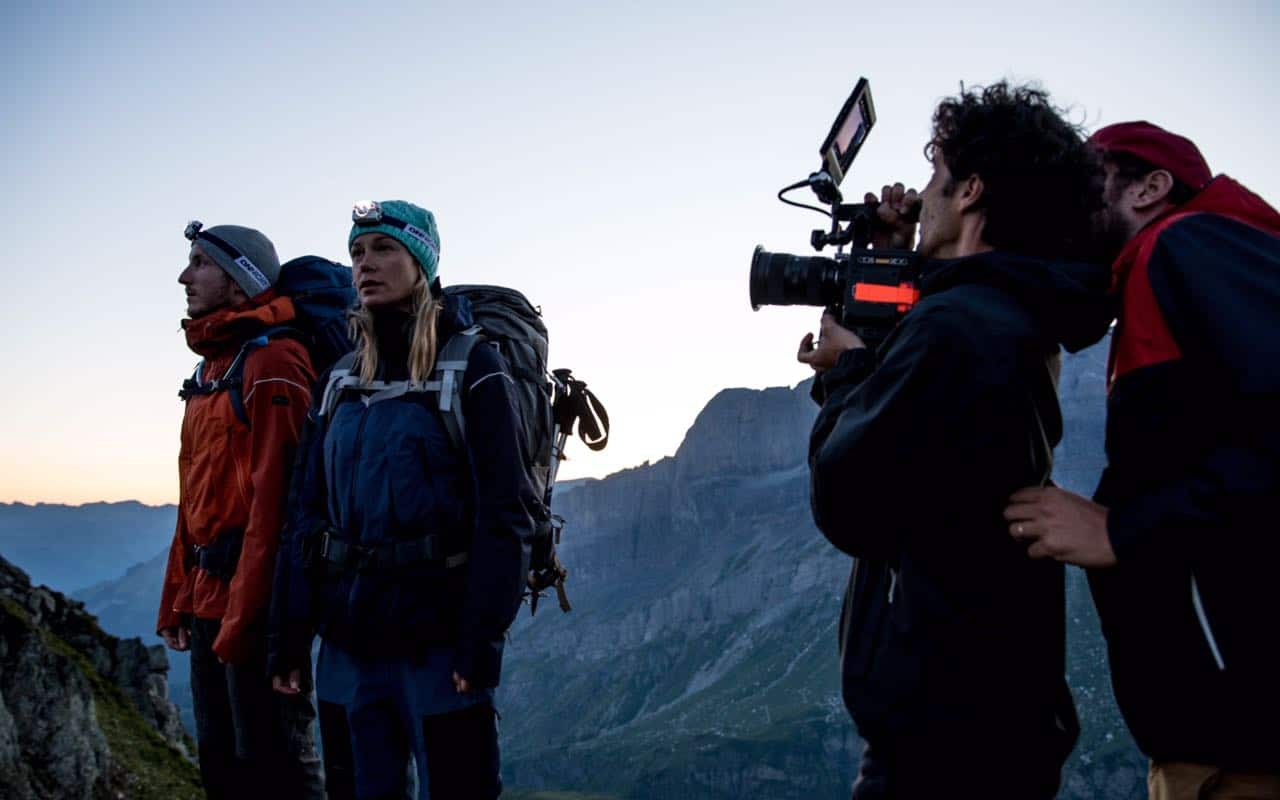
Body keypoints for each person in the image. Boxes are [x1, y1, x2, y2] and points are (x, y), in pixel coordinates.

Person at [798, 82, 1112, 799]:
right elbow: (921, 458)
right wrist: (890, 259)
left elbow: (843, 498)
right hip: (992, 724)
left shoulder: (959, 330)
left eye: (938, 177)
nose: (926, 194)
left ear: (972, 190)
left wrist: (845, 372)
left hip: (943, 748)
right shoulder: (1009, 317)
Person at [1004, 122, 1280, 799]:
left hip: (1243, 750)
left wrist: (1118, 530)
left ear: (1151, 187)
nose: (1067, 210)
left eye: (1084, 186)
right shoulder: (1181, 263)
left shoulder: (1184, 245)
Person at [268, 200, 536, 800]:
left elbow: (505, 514)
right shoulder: (338, 377)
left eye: (385, 249)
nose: (366, 264)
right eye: (357, 252)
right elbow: (305, 514)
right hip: (345, 646)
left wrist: (481, 639)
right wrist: (288, 636)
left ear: (422, 262)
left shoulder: (473, 368)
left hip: (438, 649)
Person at [157, 222, 323, 799]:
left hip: (257, 608)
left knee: (276, 768)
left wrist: (249, 623)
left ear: (238, 278)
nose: (184, 276)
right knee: (223, 770)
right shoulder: (209, 372)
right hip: (209, 600)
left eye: (199, 262)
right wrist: (177, 596)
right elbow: (194, 495)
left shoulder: (273, 362)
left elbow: (279, 507)